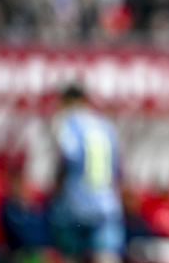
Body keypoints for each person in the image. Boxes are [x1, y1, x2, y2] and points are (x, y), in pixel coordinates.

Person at [48, 84, 125, 263]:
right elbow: (117, 166)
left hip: (75, 203)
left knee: (71, 254)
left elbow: (66, 159)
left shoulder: (66, 121)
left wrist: (56, 192)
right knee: (107, 255)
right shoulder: (104, 124)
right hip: (106, 204)